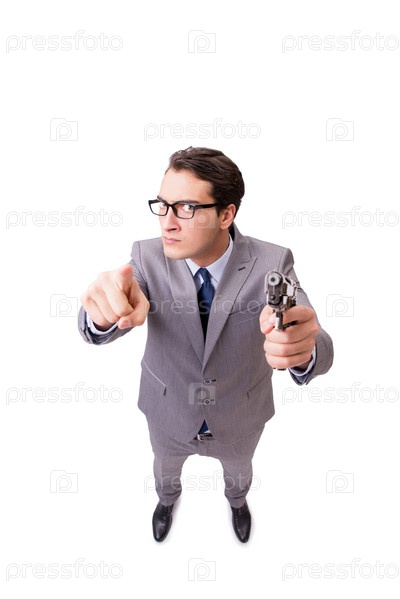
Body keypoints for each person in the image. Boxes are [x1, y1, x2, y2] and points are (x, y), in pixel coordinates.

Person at [78, 146, 333, 543]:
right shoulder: (146, 256)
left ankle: (237, 503)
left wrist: (304, 346)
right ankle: (166, 502)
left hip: (239, 412)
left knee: (239, 472)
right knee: (164, 470)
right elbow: (122, 296)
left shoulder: (272, 261)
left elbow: (310, 329)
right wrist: (104, 313)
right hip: (168, 408)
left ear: (226, 215)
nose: (167, 222)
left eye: (186, 208)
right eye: (162, 205)